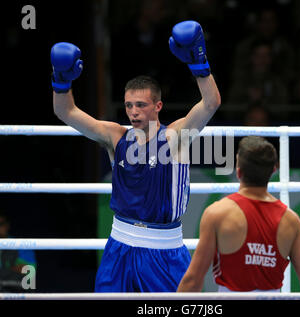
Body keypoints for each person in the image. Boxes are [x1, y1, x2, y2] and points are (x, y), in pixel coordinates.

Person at [51, 20, 221, 292]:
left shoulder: (174, 136)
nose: (134, 111)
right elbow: (66, 112)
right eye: (129, 105)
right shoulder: (115, 136)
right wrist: (61, 81)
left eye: (141, 105)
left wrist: (199, 65)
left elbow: (210, 103)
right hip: (120, 246)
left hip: (164, 251)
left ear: (158, 106)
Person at [177, 136, 300, 292]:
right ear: (273, 171)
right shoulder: (291, 220)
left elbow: (193, 280)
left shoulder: (218, 213)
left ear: (238, 172)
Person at [0, 213, 37, 292]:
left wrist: (4, 271)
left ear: (7, 225)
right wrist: (11, 269)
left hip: (17, 289)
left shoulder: (21, 244)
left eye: (1, 224)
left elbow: (29, 271)